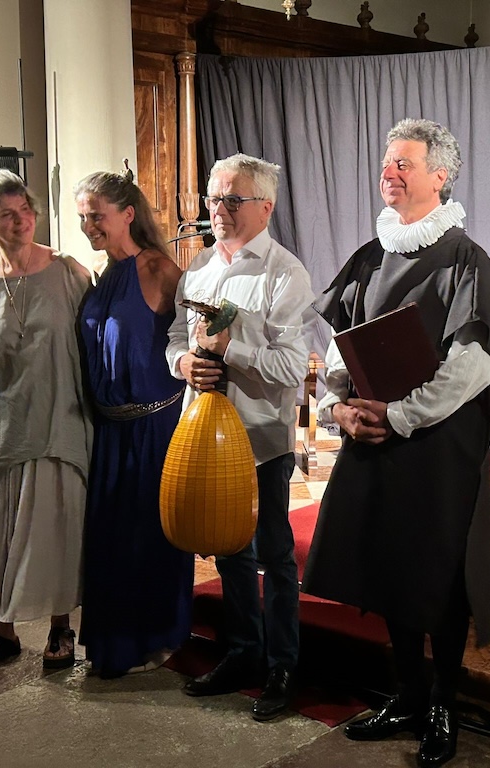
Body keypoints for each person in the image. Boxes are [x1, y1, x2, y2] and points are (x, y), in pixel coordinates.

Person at [302, 119, 490, 767]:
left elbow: (472, 366)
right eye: (387, 162)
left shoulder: (465, 260)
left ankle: (443, 702)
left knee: (436, 577)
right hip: (374, 438)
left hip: (438, 450)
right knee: (389, 567)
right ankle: (408, 693)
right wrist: (339, 407)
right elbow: (340, 352)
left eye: (403, 163)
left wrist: (401, 415)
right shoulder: (371, 255)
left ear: (440, 176)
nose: (388, 172)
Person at [166, 153, 314, 721]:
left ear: (266, 207)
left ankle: (283, 665)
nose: (219, 209)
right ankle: (243, 652)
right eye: (213, 198)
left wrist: (232, 349)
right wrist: (184, 363)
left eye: (233, 199)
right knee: (228, 552)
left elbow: (292, 367)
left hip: (260, 440)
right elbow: (175, 339)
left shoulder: (285, 273)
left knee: (274, 556)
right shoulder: (199, 268)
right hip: (206, 438)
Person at [0, 169, 93, 672]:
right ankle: (2, 632)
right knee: (1, 530)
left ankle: (60, 627)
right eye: (6, 214)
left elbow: (96, 346)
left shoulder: (69, 272)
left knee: (57, 526)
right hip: (4, 425)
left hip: (61, 418)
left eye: (25, 209)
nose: (20, 221)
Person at [74, 171, 194, 678]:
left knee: (150, 538)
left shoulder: (160, 270)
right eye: (83, 217)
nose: (88, 226)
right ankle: (114, 645)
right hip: (109, 433)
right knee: (110, 543)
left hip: (155, 431)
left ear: (127, 214)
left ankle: (158, 637)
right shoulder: (100, 275)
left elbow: (191, 343)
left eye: (96, 215)